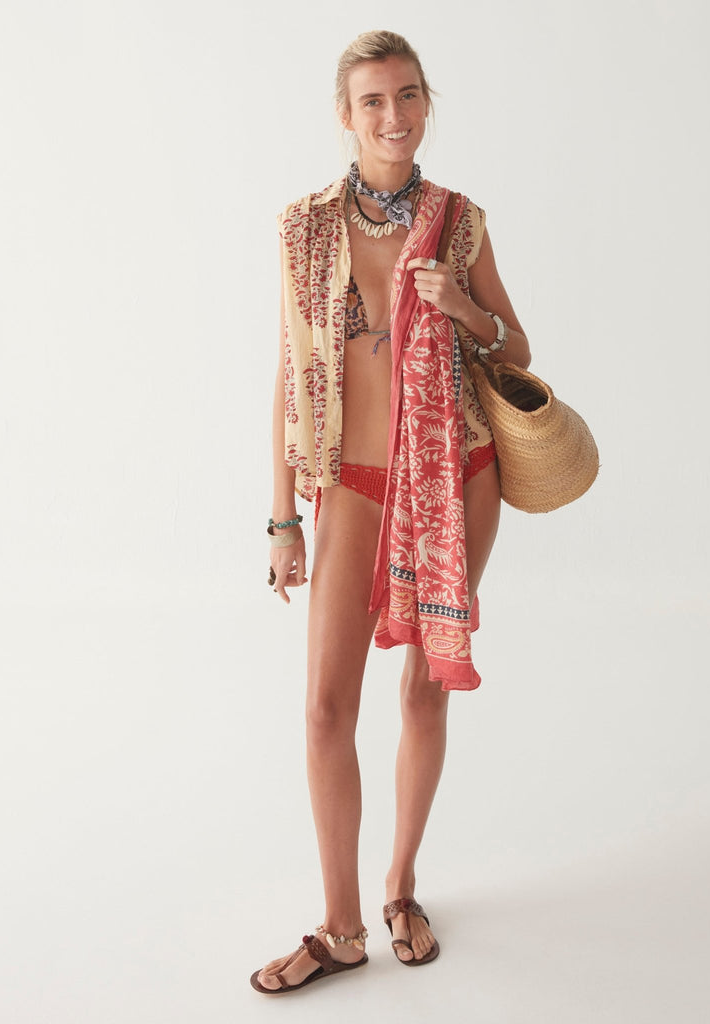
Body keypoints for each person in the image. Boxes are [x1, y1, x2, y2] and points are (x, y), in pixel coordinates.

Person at [252, 30, 531, 994]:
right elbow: (288, 372)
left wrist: (462, 305)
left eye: (408, 95)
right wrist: (283, 518)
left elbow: (516, 347)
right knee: (326, 707)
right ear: (346, 114)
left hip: (453, 477)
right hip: (353, 484)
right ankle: (339, 928)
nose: (394, 115)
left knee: (422, 690)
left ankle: (401, 888)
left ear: (426, 103)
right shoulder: (304, 229)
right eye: (373, 100)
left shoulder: (460, 222)